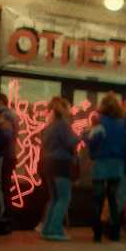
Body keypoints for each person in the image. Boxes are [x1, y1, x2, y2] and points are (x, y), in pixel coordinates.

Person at [83, 93, 126, 242]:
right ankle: (115, 232)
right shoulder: (123, 124)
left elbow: (91, 140)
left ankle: (97, 233)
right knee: (113, 198)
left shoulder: (98, 121)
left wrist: (90, 147)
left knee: (98, 198)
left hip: (101, 163)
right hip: (117, 164)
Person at [39, 97, 79, 241]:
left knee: (54, 198)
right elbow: (70, 142)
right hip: (61, 164)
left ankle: (46, 229)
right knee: (64, 197)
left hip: (48, 164)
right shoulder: (62, 125)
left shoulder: (49, 127)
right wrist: (82, 136)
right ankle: (54, 230)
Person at [0, 93, 18, 235]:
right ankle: (4, 218)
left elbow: (6, 135)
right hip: (8, 156)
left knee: (0, 187)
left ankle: (2, 218)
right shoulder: (10, 114)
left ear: (0, 101)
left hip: (3, 156)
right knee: (3, 188)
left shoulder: (4, 115)